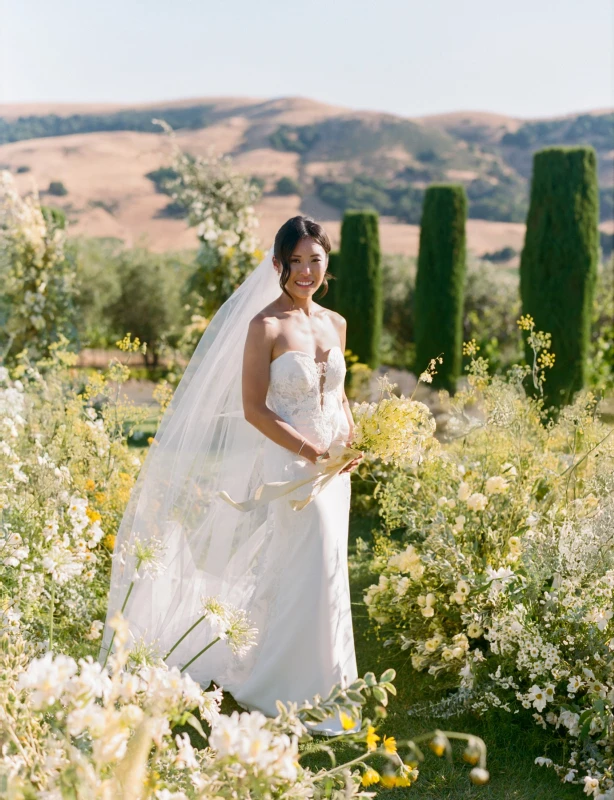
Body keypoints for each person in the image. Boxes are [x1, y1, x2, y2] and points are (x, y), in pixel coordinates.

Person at [99, 215, 362, 735]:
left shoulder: (336, 323)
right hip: (292, 463)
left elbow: (339, 396)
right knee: (306, 556)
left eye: (315, 259)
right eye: (296, 261)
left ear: (326, 262)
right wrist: (311, 450)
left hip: (336, 468)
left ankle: (328, 681)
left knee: (324, 566)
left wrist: (354, 440)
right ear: (278, 265)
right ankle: (282, 685)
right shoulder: (264, 326)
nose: (306, 271)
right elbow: (255, 410)